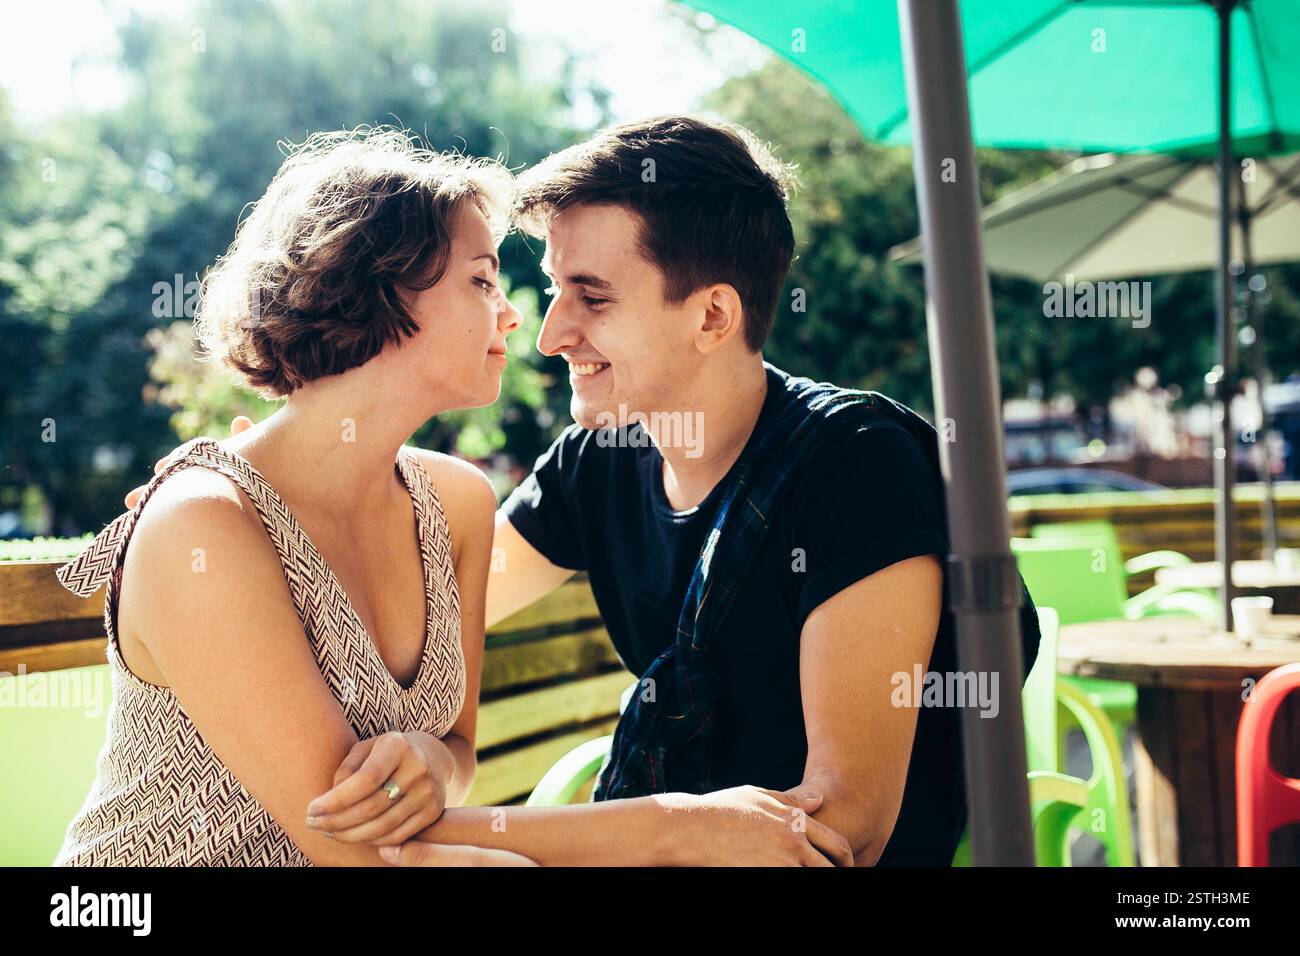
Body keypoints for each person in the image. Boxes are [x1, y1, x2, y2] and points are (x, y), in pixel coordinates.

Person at [138, 116, 1040, 866]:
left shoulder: (857, 464)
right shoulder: (596, 463)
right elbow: (390, 624)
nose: (547, 332)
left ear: (713, 315)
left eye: (592, 296)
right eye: (533, 286)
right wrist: (254, 501)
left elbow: (841, 827)